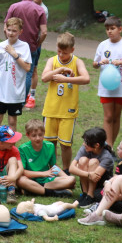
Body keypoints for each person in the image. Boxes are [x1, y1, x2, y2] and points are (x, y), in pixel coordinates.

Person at [40, 32, 90, 169]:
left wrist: (66, 79)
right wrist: (60, 70)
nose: (61, 55)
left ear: (72, 50)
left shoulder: (77, 61)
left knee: (65, 144)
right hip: (51, 109)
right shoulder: (52, 61)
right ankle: (51, 169)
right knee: (50, 143)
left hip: (68, 111)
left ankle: (66, 170)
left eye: (65, 53)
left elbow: (86, 78)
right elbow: (44, 78)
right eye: (59, 51)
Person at [92, 16, 122, 145]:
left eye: (112, 29)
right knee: (108, 117)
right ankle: (108, 147)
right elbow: (94, 64)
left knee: (115, 117)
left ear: (120, 29)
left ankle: (111, 145)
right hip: (105, 87)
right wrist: (99, 63)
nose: (109, 31)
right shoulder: (103, 45)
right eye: (107, 29)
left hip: (121, 87)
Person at [4, 0, 47, 108]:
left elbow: (5, 27)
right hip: (31, 46)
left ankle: (10, 95)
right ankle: (22, 100)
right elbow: (44, 32)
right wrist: (37, 43)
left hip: (14, 45)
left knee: (11, 69)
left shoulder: (14, 7)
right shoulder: (39, 10)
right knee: (28, 73)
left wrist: (9, 40)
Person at [0, 17, 32, 129]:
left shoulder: (24, 46)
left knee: (12, 122)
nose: (11, 33)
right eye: (9, 30)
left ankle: (10, 145)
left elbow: (27, 67)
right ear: (5, 30)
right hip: (1, 92)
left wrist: (15, 54)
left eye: (14, 31)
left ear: (20, 32)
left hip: (15, 93)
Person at [16, 119, 76, 196]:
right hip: (30, 179)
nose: (38, 138)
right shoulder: (23, 148)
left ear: (44, 133)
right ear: (28, 135)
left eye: (40, 135)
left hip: (46, 180)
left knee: (71, 180)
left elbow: (53, 166)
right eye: (34, 135)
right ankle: (51, 193)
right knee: (20, 180)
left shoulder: (50, 146)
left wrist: (66, 178)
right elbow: (23, 171)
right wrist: (44, 173)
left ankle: (33, 190)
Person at [68, 126, 116, 206]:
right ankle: (85, 193)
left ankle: (90, 196)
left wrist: (87, 174)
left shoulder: (106, 156)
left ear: (97, 145)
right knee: (82, 160)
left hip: (101, 183)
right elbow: (71, 168)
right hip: (88, 177)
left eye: (86, 142)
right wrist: (88, 174)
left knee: (93, 162)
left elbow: (96, 176)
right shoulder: (85, 148)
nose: (84, 144)